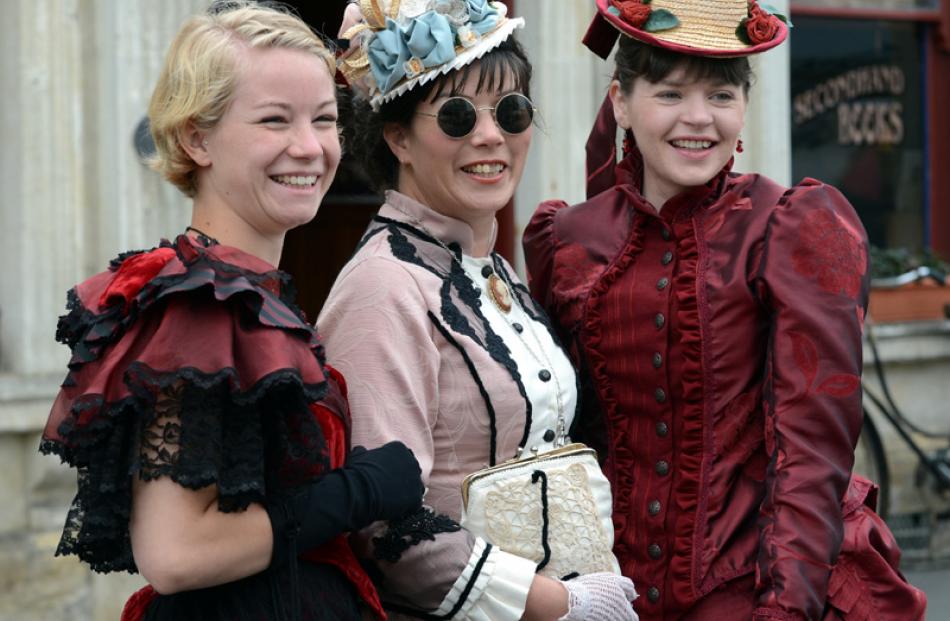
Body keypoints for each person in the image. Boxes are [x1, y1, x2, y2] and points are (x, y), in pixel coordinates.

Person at [523, 1, 928, 619]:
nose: (698, 119)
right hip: (605, 593)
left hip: (754, 588)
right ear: (622, 102)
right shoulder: (569, 240)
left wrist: (784, 610)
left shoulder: (791, 229)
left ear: (743, 107)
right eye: (669, 93)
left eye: (720, 94)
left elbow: (812, 454)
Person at [39, 2, 425, 620]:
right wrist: (362, 489)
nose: (309, 147)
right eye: (274, 120)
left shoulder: (246, 296)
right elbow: (176, 551)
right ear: (198, 137)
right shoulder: (202, 309)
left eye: (325, 120)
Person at [318, 1, 638, 619]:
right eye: (459, 116)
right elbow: (385, 525)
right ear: (398, 137)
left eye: (512, 112)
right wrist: (562, 604)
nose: (491, 136)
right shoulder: (384, 287)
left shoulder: (493, 270)